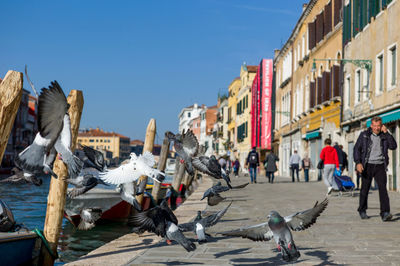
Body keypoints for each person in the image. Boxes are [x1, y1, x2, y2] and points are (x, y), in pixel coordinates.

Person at [354, 116, 397, 221]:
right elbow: (356, 149)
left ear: (381, 125)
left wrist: (387, 133)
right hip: (367, 165)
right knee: (365, 189)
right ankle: (362, 210)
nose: (377, 128)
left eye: (379, 126)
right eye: (375, 126)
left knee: (383, 189)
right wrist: (358, 163)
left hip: (380, 165)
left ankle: (385, 212)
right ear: (371, 125)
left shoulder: (384, 135)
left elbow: (393, 146)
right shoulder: (364, 135)